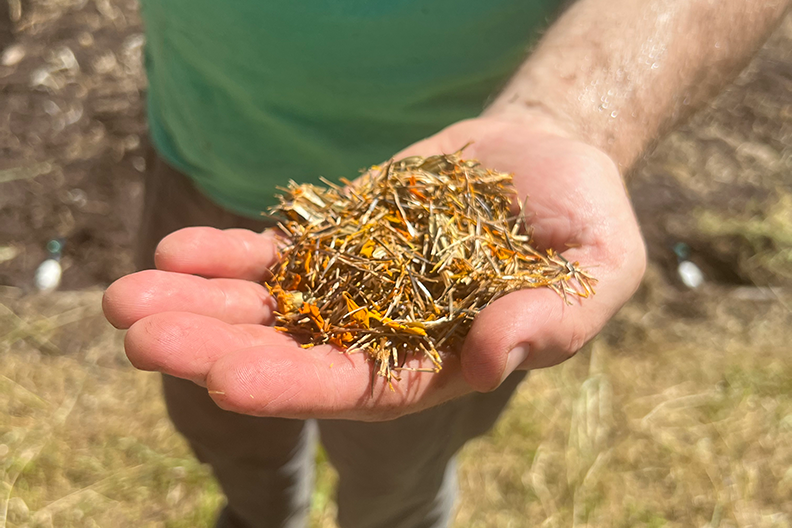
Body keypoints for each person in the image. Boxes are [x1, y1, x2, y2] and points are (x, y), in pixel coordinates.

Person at [102, 1, 790, 527]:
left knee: (396, 478)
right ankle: (258, 515)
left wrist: (566, 116)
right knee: (225, 422)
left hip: (481, 161)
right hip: (202, 149)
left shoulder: (446, 260)